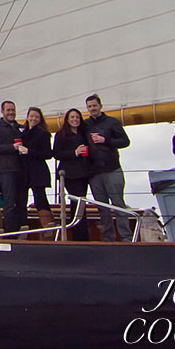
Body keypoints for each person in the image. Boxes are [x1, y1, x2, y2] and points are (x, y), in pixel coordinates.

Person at [84, 94, 132, 242]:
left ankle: (126, 238)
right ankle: (108, 238)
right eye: (90, 106)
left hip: (112, 169)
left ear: (100, 106)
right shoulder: (84, 125)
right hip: (94, 172)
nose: (92, 108)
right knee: (102, 208)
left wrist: (106, 140)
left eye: (94, 105)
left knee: (118, 204)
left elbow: (125, 141)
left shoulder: (112, 122)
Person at [0, 100, 26, 233]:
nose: (11, 112)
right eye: (8, 110)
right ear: (2, 112)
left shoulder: (20, 127)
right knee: (9, 203)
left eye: (13, 110)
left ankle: (22, 230)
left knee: (21, 202)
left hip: (21, 169)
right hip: (6, 170)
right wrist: (11, 147)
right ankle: (11, 233)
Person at [53, 108, 92, 241]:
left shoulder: (83, 134)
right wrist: (74, 152)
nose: (75, 120)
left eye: (77, 117)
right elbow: (56, 154)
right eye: (72, 117)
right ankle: (79, 237)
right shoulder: (61, 134)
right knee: (77, 203)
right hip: (69, 174)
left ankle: (81, 235)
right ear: (67, 120)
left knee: (81, 203)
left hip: (83, 173)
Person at [20, 107, 55, 233]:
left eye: (36, 117)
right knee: (21, 199)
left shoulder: (43, 134)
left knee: (40, 198)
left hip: (37, 171)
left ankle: (48, 227)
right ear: (27, 117)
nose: (33, 119)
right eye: (31, 116)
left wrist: (29, 151)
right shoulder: (22, 133)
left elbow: (47, 154)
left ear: (40, 119)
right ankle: (23, 228)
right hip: (24, 171)